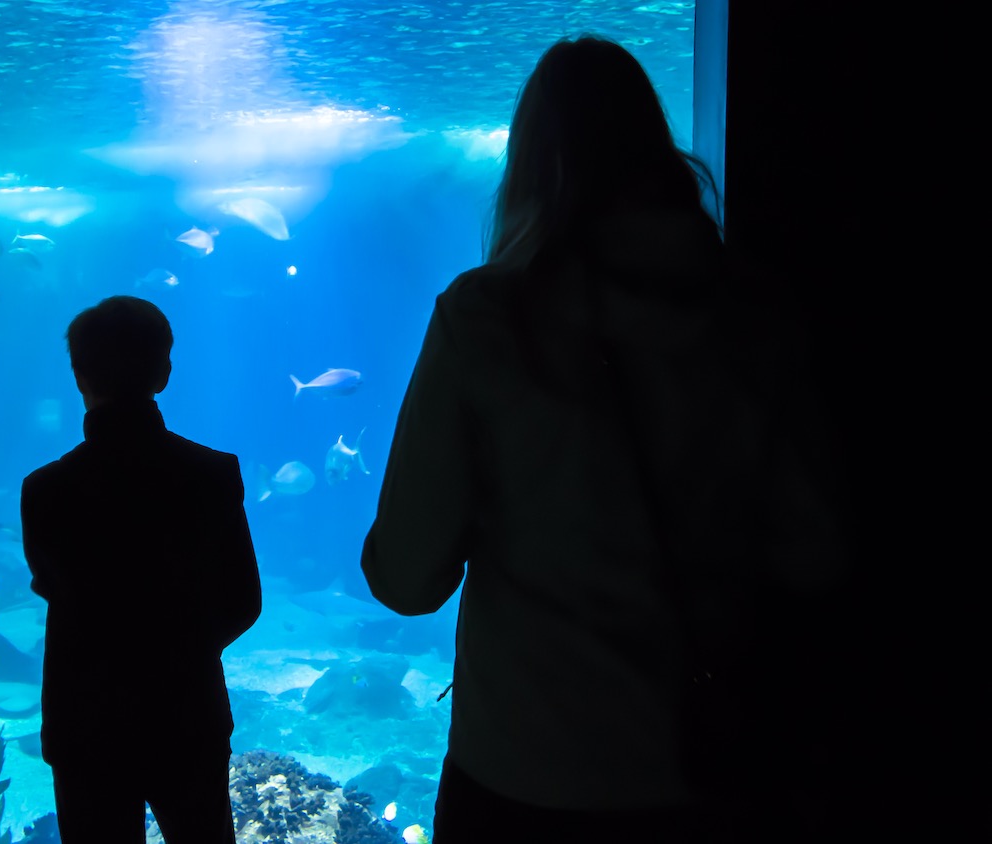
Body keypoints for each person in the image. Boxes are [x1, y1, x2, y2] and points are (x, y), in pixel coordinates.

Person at [360, 36, 844, 843]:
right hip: (714, 758)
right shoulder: (758, 313)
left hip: (528, 763)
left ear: (531, 162)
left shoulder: (486, 318)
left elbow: (406, 580)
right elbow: (819, 550)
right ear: (656, 145)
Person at [20, 295, 261, 843]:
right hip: (188, 711)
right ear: (164, 372)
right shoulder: (213, 474)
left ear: (78, 374)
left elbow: (49, 583)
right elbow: (243, 601)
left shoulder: (46, 490)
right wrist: (181, 649)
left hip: (86, 720)